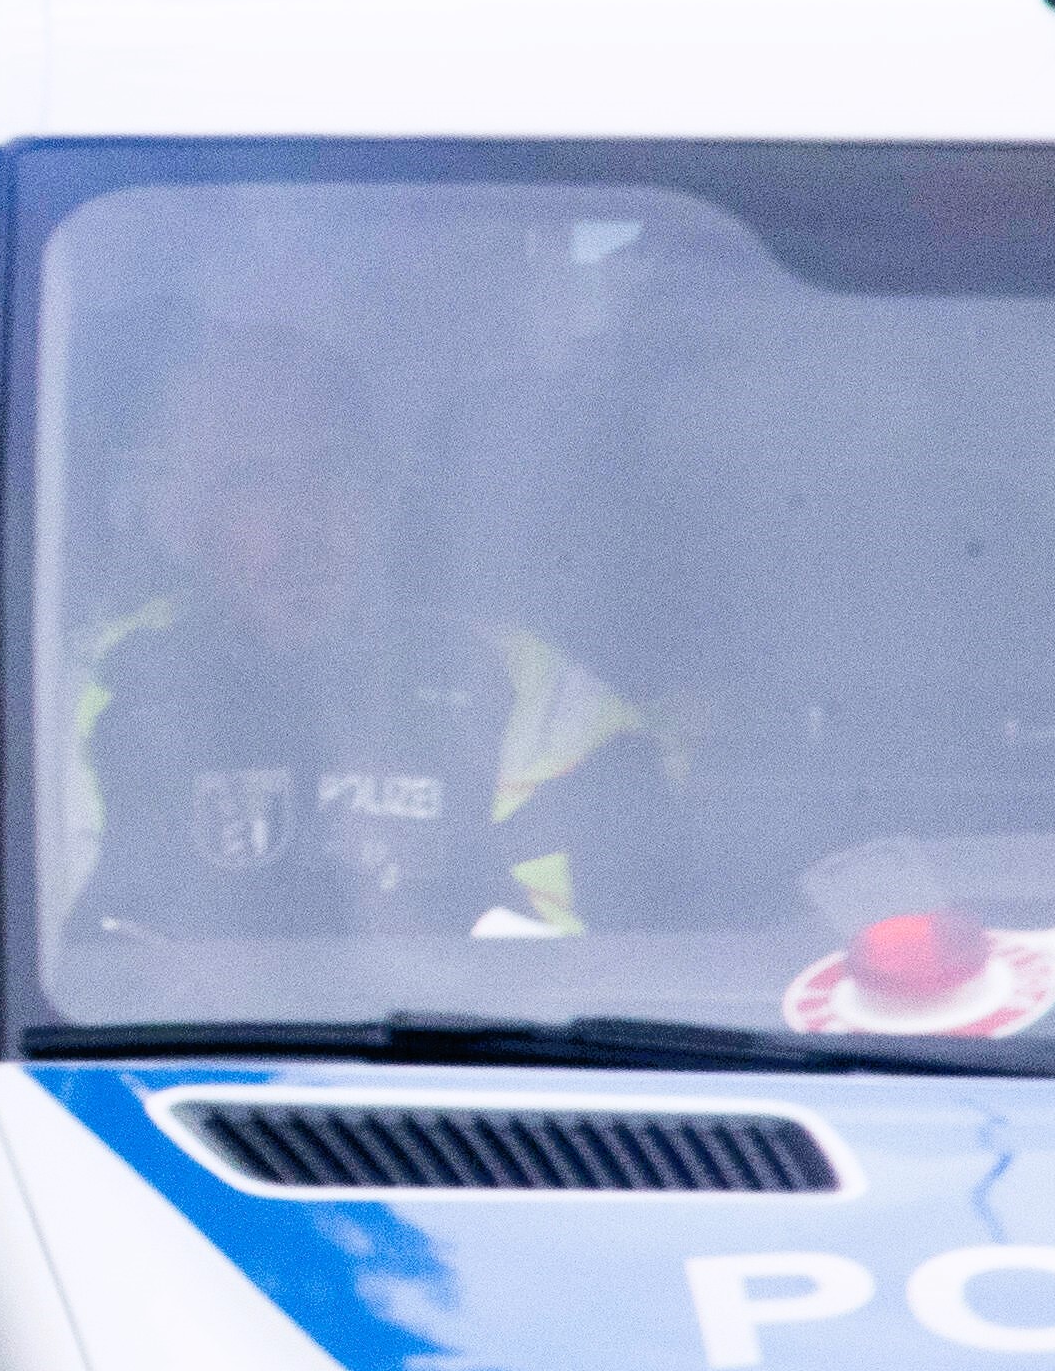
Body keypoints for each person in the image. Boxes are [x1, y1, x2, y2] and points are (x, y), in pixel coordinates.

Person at [65, 329, 665, 943]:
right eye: (254, 480)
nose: (304, 521)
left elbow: (611, 966)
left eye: (330, 472)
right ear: (180, 514)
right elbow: (53, 951)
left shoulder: (519, 687)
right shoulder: (98, 693)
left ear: (380, 495)